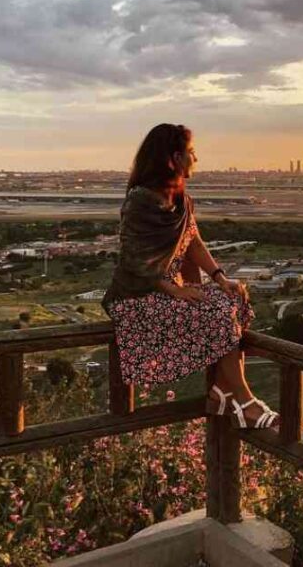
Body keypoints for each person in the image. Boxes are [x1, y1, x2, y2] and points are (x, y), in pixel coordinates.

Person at [102, 123, 278, 429]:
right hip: (137, 295)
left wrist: (220, 278)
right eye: (191, 152)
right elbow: (133, 259)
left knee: (234, 300)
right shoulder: (140, 200)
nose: (195, 158)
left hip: (170, 290)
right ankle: (244, 400)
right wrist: (175, 291)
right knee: (217, 314)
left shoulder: (182, 199)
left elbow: (193, 242)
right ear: (174, 159)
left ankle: (222, 392)